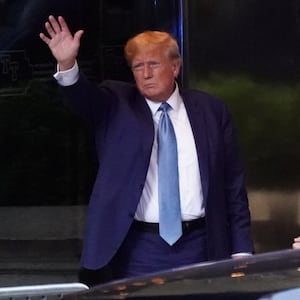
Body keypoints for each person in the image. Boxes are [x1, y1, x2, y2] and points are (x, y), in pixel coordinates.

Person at [40, 15, 254, 286]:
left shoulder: (210, 110)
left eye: (153, 64)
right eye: (138, 66)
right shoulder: (117, 105)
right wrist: (68, 64)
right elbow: (83, 98)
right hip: (139, 250)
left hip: (203, 245)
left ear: (175, 67)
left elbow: (233, 186)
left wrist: (242, 251)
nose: (145, 73)